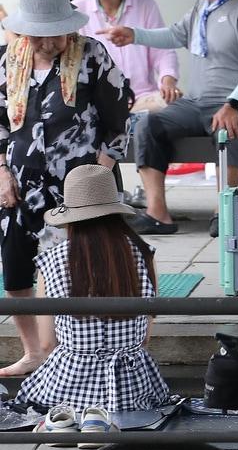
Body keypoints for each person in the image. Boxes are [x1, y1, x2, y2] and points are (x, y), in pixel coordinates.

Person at [0, 0, 133, 376]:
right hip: (22, 185)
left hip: (82, 185)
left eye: (58, 32)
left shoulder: (92, 55)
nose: (51, 41)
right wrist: (2, 174)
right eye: (42, 34)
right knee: (17, 265)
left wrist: (99, 176)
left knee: (84, 269)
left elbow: (119, 118)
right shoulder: (9, 60)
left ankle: (84, 356)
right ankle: (36, 353)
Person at [102, 0, 238, 237]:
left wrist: (234, 104)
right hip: (198, 103)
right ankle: (158, 214)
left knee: (226, 131)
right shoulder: (202, 9)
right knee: (148, 126)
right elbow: (174, 35)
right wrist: (133, 35)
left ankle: (225, 212)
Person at [18, 166, 168, 428]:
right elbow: (144, 338)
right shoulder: (144, 254)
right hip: (132, 385)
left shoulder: (51, 260)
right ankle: (99, 421)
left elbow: (46, 344)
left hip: (69, 381)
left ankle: (67, 420)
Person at [74, 0, 178, 113]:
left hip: (143, 98)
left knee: (170, 107)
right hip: (97, 103)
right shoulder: (77, 10)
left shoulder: (145, 5)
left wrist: (168, 80)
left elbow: (163, 52)